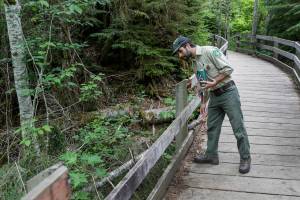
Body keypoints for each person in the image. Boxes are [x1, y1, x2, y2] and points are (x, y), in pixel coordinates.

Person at [172, 36, 251, 174]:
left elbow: (228, 69)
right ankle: (211, 155)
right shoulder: (194, 64)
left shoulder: (210, 51)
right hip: (214, 96)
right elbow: (202, 84)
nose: (180, 55)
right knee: (212, 127)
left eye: (180, 51)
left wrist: (214, 81)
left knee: (238, 127)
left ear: (187, 45)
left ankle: (245, 158)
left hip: (228, 92)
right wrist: (203, 102)